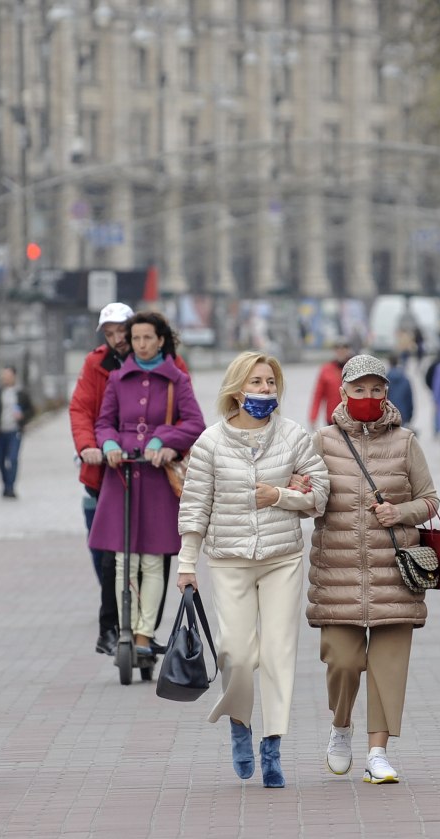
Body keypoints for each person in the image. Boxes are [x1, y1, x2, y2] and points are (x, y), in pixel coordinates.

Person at [177, 352, 329, 788]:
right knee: (237, 654)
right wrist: (187, 563)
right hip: (229, 560)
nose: (264, 390)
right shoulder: (209, 443)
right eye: (255, 382)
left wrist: (280, 496)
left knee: (279, 653)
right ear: (236, 389)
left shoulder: (294, 436)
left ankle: (272, 744)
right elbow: (194, 507)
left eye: (270, 382)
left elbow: (321, 493)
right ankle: (239, 723)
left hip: (283, 558)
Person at [308, 354, 440, 784]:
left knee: (388, 668)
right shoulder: (323, 441)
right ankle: (341, 727)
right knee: (343, 662)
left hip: (396, 575)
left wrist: (400, 512)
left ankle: (378, 752)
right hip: (338, 576)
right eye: (359, 389)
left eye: (376, 389)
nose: (368, 397)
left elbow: (430, 499)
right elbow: (308, 496)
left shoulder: (405, 441)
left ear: (386, 393)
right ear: (343, 391)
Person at [68, 303, 189, 656]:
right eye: (112, 334)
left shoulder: (171, 367)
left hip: (153, 471)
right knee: (112, 553)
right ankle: (112, 628)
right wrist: (92, 445)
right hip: (108, 468)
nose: (122, 340)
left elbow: (187, 416)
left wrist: (166, 443)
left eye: (127, 332)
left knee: (155, 554)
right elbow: (83, 409)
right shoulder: (99, 365)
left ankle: (145, 632)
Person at [0, 365, 33, 498]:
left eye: (8, 375)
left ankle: (11, 487)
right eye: (4, 376)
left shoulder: (21, 393)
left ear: (14, 376)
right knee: (0, 460)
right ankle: (5, 485)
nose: (6, 378)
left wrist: (23, 416)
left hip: (15, 432)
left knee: (13, 459)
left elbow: (31, 410)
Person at [308, 340, 350, 428]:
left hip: (351, 417)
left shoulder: (354, 368)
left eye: (344, 349)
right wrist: (313, 417)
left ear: (347, 350)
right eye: (338, 349)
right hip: (332, 417)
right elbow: (318, 395)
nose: (341, 352)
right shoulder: (326, 370)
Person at [386, 354, 414, 428]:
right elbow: (409, 398)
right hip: (403, 414)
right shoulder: (405, 379)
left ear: (389, 362)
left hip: (389, 414)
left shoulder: (385, 380)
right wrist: (410, 415)